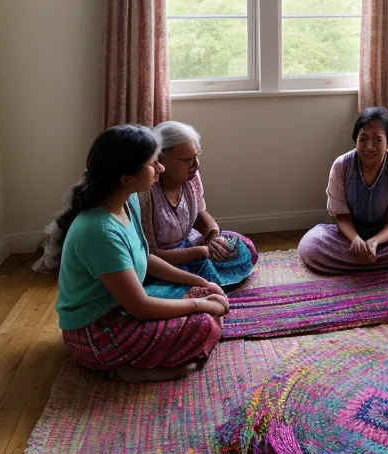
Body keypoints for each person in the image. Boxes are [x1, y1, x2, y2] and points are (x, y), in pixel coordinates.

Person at [54, 125, 228, 382]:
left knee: (206, 296)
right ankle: (122, 369)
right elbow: (140, 307)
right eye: (153, 163)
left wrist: (199, 282)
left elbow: (145, 258)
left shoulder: (128, 201)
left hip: (121, 308)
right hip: (96, 333)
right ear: (125, 177)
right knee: (204, 323)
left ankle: (144, 362)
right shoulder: (100, 232)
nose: (161, 169)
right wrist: (199, 305)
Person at [297, 107, 388, 274]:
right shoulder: (341, 166)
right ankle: (374, 263)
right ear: (356, 140)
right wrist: (355, 240)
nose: (369, 146)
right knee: (310, 246)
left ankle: (358, 262)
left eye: (378, 139)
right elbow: (341, 215)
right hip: (349, 238)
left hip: (386, 239)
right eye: (363, 139)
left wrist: (374, 242)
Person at [139, 121, 258, 290]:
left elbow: (199, 214)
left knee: (239, 245)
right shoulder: (145, 192)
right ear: (160, 158)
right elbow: (149, 255)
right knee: (168, 284)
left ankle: (203, 282)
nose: (196, 165)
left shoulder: (191, 177)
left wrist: (212, 235)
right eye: (186, 160)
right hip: (163, 262)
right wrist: (199, 252)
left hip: (191, 244)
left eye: (197, 156)